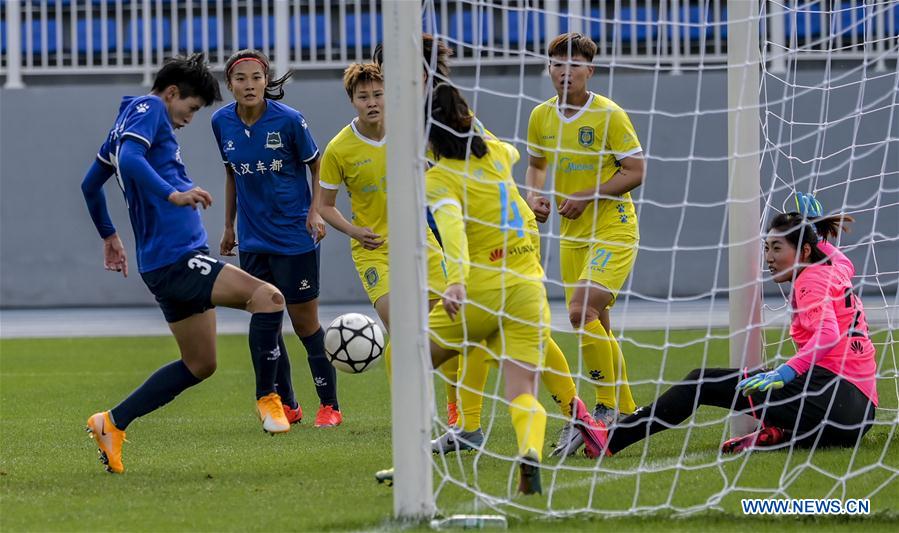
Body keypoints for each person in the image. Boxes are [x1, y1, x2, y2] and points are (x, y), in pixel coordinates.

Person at [373, 34, 586, 457]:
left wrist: (456, 275)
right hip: (498, 228)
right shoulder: (432, 105)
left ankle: (575, 414)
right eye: (385, 72)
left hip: (481, 232)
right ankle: (470, 428)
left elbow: (454, 200)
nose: (390, 80)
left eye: (396, 69)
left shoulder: (436, 109)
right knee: (495, 334)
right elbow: (502, 154)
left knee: (462, 332)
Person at [81, 54, 287, 473]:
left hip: (164, 263)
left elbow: (90, 185)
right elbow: (134, 163)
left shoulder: (126, 124)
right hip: (177, 259)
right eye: (190, 109)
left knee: (201, 364)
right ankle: (269, 398)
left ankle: (112, 422)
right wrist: (172, 194)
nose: (189, 119)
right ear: (172, 93)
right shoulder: (150, 108)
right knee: (269, 298)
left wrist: (109, 235)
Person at [423, 83, 607, 494]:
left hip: (481, 283)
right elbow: (510, 151)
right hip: (527, 278)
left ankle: (411, 457)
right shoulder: (498, 154)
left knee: (408, 355)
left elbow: (451, 230)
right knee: (521, 390)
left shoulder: (440, 179)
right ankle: (529, 453)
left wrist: (454, 282)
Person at [593, 193, 878, 456]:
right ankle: (780, 435)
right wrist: (813, 229)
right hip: (861, 414)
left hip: (830, 396)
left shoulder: (809, 282)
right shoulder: (836, 268)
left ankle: (610, 439)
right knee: (769, 390)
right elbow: (833, 255)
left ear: (803, 251)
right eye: (766, 248)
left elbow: (828, 334)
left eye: (777, 248)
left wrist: (786, 372)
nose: (768, 258)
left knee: (702, 381)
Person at [526, 32, 645, 455]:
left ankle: (602, 412)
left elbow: (636, 170)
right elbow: (537, 164)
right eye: (558, 64)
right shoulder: (541, 116)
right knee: (599, 326)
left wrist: (587, 195)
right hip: (572, 236)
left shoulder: (609, 115)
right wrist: (533, 196)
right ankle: (628, 411)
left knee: (580, 312)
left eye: (575, 64)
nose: (565, 71)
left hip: (614, 228)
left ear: (589, 71)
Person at [317, 63, 459, 415]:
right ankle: (415, 414)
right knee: (404, 329)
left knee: (449, 328)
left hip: (421, 242)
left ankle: (456, 409)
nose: (372, 102)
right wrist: (353, 231)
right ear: (352, 100)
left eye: (378, 94)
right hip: (375, 252)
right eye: (363, 96)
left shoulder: (413, 135)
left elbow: (445, 178)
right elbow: (324, 206)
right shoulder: (339, 149)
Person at [212, 49, 341, 431]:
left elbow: (317, 165)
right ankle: (287, 404)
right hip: (253, 242)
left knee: (304, 325)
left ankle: (329, 405)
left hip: (294, 239)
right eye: (240, 78)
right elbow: (232, 174)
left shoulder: (289, 121)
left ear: (266, 80)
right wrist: (229, 226)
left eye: (256, 77)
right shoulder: (221, 123)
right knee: (266, 321)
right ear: (230, 84)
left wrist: (315, 211)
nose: (249, 84)